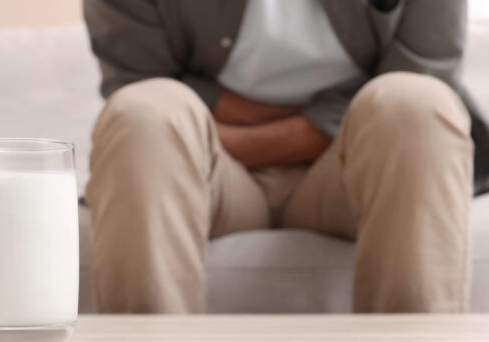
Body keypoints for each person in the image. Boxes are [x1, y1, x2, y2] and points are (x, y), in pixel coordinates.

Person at [83, 0, 489, 313]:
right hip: (212, 173)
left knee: (416, 105)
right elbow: (138, 78)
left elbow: (425, 69)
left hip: (356, 167)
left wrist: (265, 133)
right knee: (142, 113)